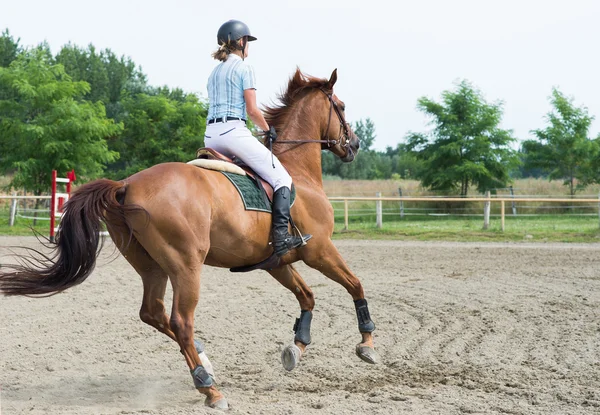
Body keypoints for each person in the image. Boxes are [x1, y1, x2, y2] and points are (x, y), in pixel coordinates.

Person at [205, 20, 311, 257]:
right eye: (247, 43)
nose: (248, 48)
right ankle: (281, 237)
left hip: (210, 137)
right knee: (282, 177)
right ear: (241, 42)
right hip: (234, 133)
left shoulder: (214, 72)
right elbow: (252, 110)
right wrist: (267, 129)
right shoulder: (245, 68)